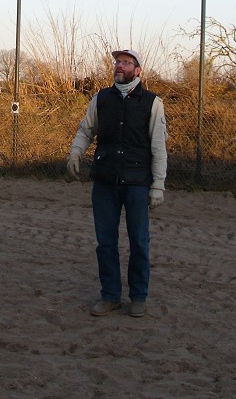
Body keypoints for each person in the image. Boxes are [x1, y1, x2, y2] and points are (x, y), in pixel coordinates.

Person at [67, 49, 167, 318]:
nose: (119, 66)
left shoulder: (153, 103)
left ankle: (138, 297)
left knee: (139, 242)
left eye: (126, 62)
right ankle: (110, 296)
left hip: (137, 183)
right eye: (117, 62)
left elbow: (159, 148)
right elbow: (86, 129)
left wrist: (158, 185)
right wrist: (76, 152)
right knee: (106, 243)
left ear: (138, 71)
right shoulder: (101, 99)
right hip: (105, 181)